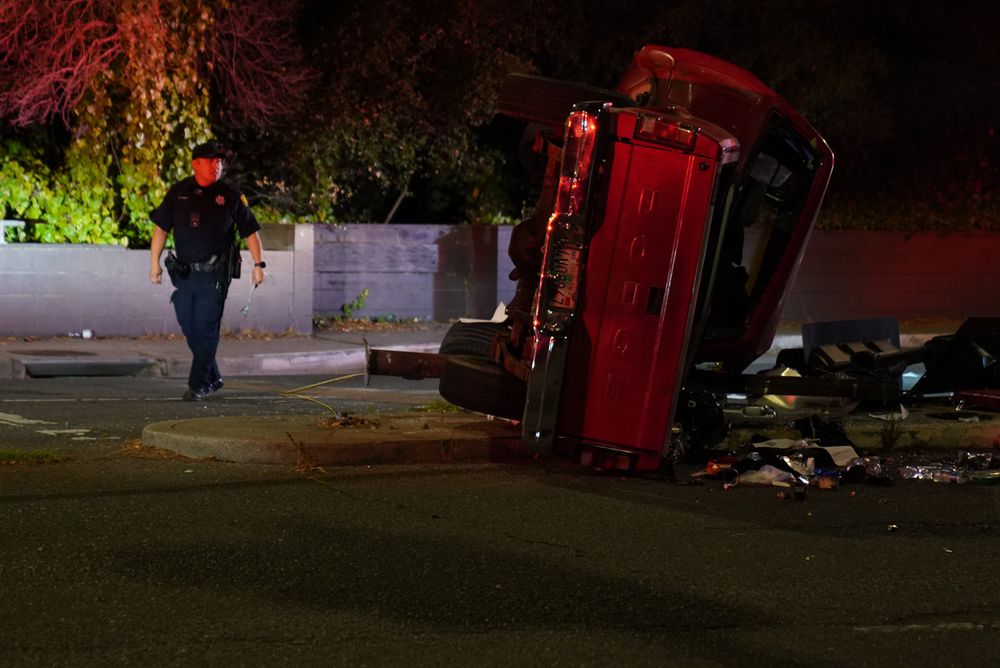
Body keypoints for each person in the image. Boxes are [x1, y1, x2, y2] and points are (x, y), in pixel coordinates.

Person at [148, 141, 266, 401]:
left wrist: (259, 265)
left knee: (206, 327)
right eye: (211, 161)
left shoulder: (230, 195)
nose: (217, 165)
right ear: (195, 164)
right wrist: (154, 263)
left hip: (215, 276)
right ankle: (213, 376)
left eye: (219, 161)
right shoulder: (179, 192)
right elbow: (161, 229)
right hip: (185, 274)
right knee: (190, 326)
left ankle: (199, 384)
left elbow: (250, 232)